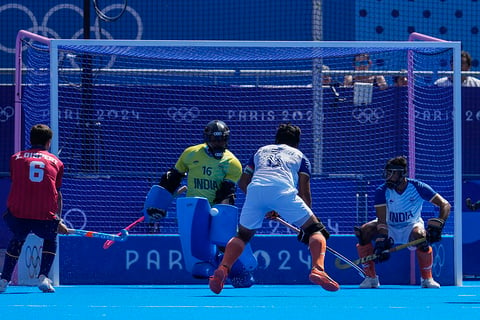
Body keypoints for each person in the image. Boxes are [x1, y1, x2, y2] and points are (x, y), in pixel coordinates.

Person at [209, 123, 340, 294]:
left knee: (242, 235)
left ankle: (223, 268)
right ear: (297, 142)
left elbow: (243, 181)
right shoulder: (300, 156)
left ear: (277, 139)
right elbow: (304, 193)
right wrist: (306, 227)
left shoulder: (261, 151)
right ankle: (318, 269)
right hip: (282, 191)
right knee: (317, 231)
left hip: (255, 190)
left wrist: (263, 204)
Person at [152, 120, 255, 287]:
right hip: (194, 209)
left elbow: (227, 191)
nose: (218, 143)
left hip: (217, 207)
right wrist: (158, 203)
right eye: (214, 140)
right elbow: (174, 178)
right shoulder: (190, 154)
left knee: (225, 242)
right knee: (199, 250)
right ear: (207, 139)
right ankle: (212, 267)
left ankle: (239, 271)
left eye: (222, 140)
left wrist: (220, 217)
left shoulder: (232, 162)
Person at [354, 156, 451, 289]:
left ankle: (427, 278)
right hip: (389, 226)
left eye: (392, 173)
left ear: (401, 173)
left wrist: (439, 225)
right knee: (365, 231)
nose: (388, 177)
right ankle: (371, 278)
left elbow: (445, 205)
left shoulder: (418, 187)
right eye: (387, 173)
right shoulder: (381, 191)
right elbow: (382, 220)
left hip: (411, 226)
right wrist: (381, 241)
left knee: (421, 236)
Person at [0, 124, 69, 293]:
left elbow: (18, 181)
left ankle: (3, 280)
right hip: (44, 215)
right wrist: (58, 220)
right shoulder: (58, 162)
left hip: (17, 214)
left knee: (18, 237)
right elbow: (57, 194)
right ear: (48, 142)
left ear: (31, 140)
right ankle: (43, 277)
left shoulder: (15, 158)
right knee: (50, 238)